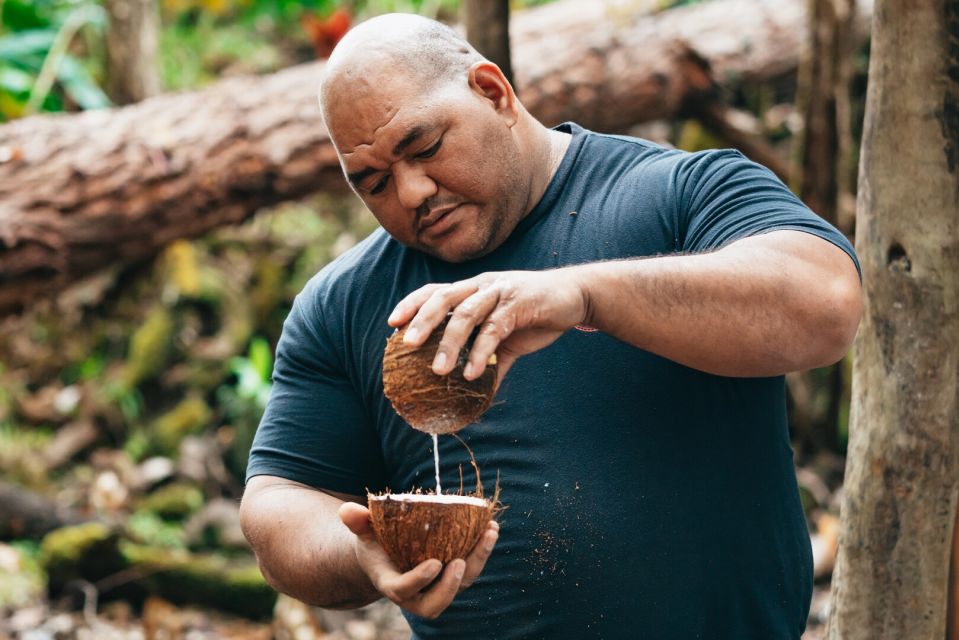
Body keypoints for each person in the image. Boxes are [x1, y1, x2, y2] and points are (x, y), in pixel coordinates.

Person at [240, 12, 862, 640]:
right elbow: (276, 510)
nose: (411, 192)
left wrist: (585, 294)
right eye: (373, 182)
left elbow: (826, 302)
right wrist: (360, 555)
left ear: (492, 91)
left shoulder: (679, 193)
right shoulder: (344, 304)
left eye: (424, 148)